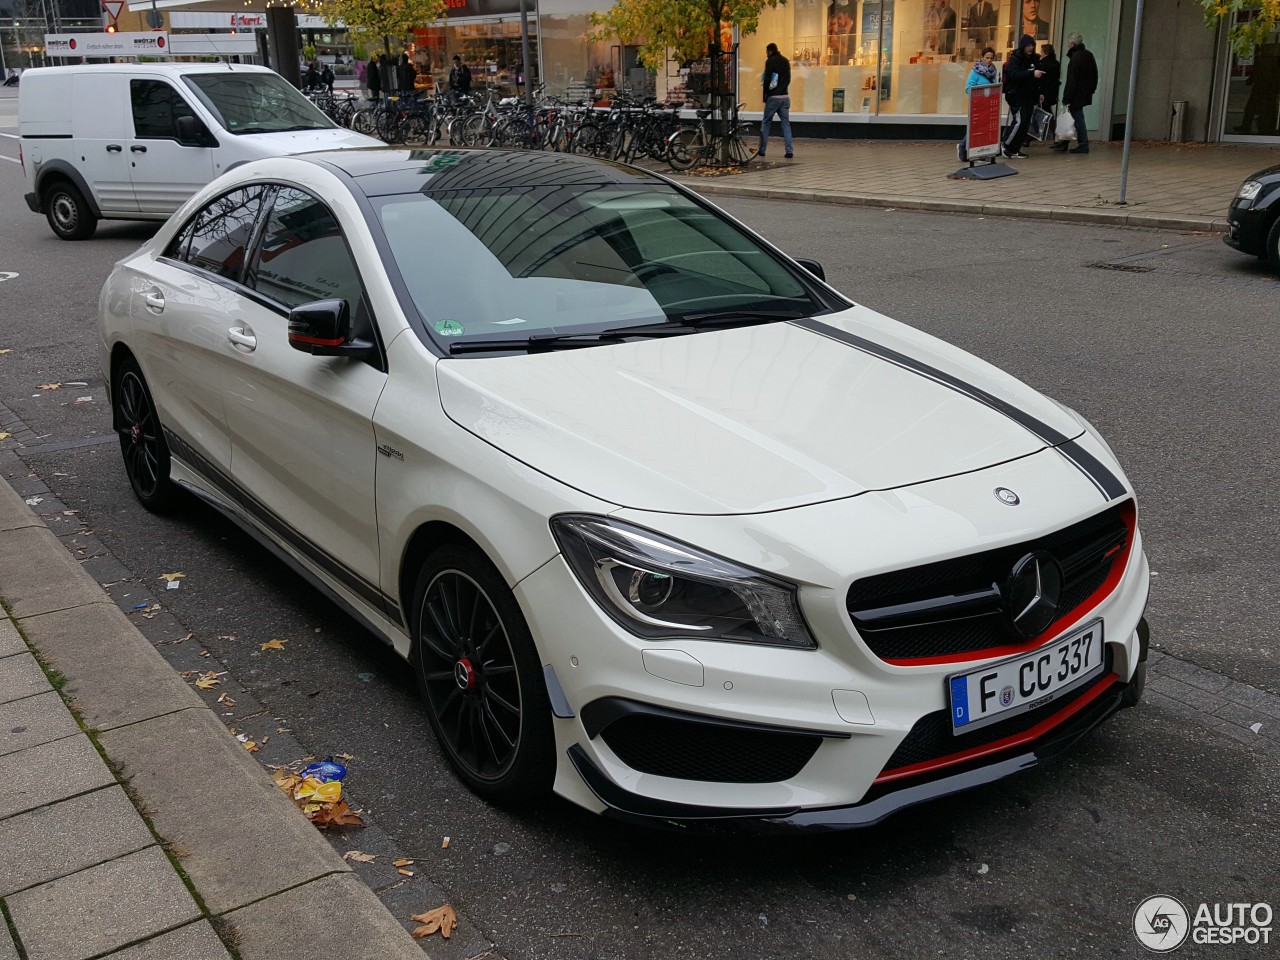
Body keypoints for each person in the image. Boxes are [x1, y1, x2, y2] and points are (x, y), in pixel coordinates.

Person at [1001, 34, 1044, 159]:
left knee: (1025, 122)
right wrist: (1031, 73)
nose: (1030, 48)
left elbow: (1037, 78)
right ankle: (1007, 145)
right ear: (1023, 46)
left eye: (1032, 46)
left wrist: (1040, 93)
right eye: (1028, 46)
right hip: (1016, 94)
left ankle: (1015, 148)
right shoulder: (1015, 59)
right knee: (1020, 121)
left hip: (1028, 95)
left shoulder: (1034, 59)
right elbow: (1013, 74)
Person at [1058, 31, 1098, 154]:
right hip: (1084, 92)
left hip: (1076, 94)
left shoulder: (1076, 58)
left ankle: (1082, 144)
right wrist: (1091, 89)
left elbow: (1072, 80)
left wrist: (1066, 97)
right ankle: (1064, 142)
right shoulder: (1088, 55)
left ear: (1071, 44)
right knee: (1074, 117)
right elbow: (1094, 75)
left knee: (1077, 118)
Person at [957, 47, 998, 161]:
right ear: (982, 57)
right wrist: (979, 93)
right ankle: (963, 147)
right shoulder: (975, 71)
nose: (989, 60)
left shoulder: (993, 71)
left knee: (985, 129)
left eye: (991, 58)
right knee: (975, 128)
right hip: (978, 104)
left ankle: (982, 152)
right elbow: (968, 87)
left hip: (988, 104)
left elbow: (994, 85)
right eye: (987, 58)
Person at [758, 42, 793, 159]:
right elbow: (788, 79)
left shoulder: (770, 61)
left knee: (766, 123)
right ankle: (789, 151)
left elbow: (767, 79)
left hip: (773, 98)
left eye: (766, 52)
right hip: (784, 97)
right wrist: (782, 90)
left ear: (769, 51)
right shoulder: (785, 61)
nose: (766, 55)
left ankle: (762, 150)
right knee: (786, 124)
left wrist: (766, 95)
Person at [1037, 42, 1061, 138]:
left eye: (1041, 51)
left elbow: (1042, 81)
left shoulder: (1043, 64)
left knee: (1040, 113)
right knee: (1047, 112)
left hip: (1044, 92)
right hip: (1051, 92)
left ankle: (1030, 137)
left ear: (1044, 52)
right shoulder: (1055, 63)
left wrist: (1040, 92)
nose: (1040, 53)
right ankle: (1055, 134)